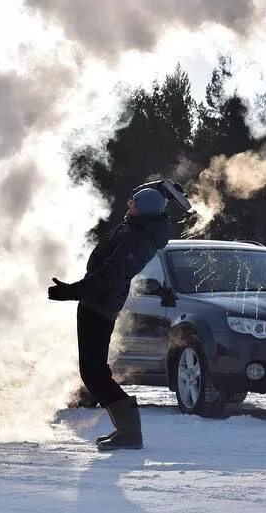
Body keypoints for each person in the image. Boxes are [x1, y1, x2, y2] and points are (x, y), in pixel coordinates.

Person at [47, 186, 172, 450]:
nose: (129, 204)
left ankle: (129, 432)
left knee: (94, 374)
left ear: (142, 209)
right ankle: (126, 431)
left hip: (100, 306)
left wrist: (72, 291)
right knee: (94, 372)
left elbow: (110, 275)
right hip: (96, 303)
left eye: (133, 202)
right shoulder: (137, 228)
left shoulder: (138, 238)